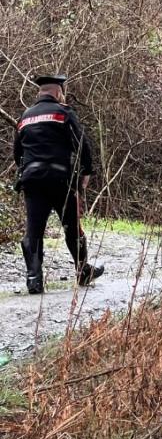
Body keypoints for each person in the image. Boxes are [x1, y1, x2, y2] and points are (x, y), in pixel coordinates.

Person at [13, 75, 103, 295]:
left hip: (32, 180)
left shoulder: (25, 117)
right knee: (72, 227)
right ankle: (82, 271)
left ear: (40, 92)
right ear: (58, 92)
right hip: (60, 179)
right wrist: (86, 172)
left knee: (34, 230)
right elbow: (81, 143)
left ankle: (34, 279)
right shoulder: (63, 113)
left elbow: (18, 153)